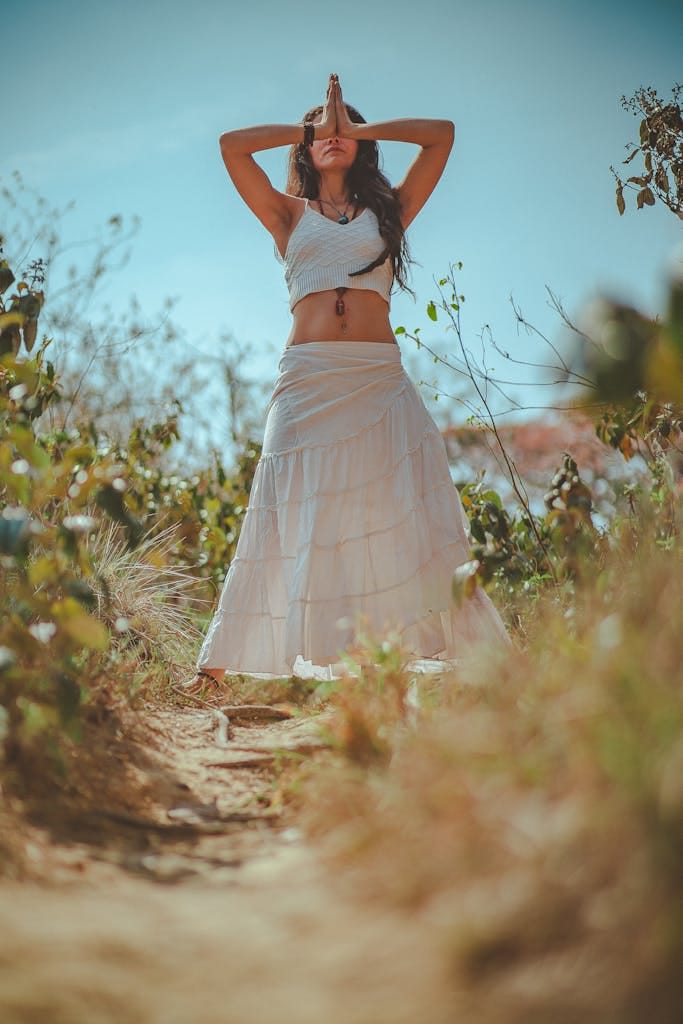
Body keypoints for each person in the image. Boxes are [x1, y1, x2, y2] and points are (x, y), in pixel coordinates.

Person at [186, 74, 510, 690]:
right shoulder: (287, 214)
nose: (333, 138)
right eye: (321, 134)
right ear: (305, 149)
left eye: (344, 133)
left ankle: (464, 658)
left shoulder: (388, 212)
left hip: (377, 378)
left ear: (360, 146)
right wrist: (315, 127)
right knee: (281, 508)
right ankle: (215, 667)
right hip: (307, 381)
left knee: (405, 507)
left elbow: (441, 138)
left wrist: (356, 128)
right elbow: (231, 145)